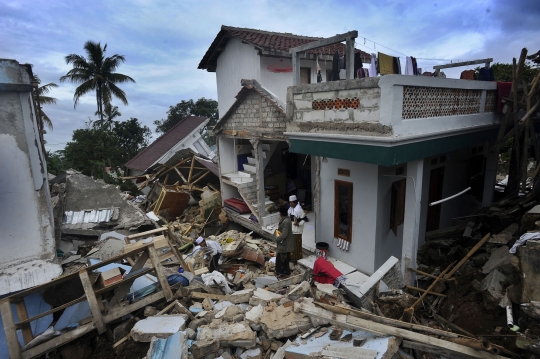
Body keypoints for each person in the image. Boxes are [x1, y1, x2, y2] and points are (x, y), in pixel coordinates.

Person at [273, 205, 295, 278]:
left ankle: (283, 273)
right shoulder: (286, 219)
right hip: (285, 244)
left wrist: (277, 238)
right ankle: (283, 272)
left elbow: (284, 234)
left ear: (280, 213)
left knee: (282, 260)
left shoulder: (286, 221)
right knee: (283, 260)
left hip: (285, 245)